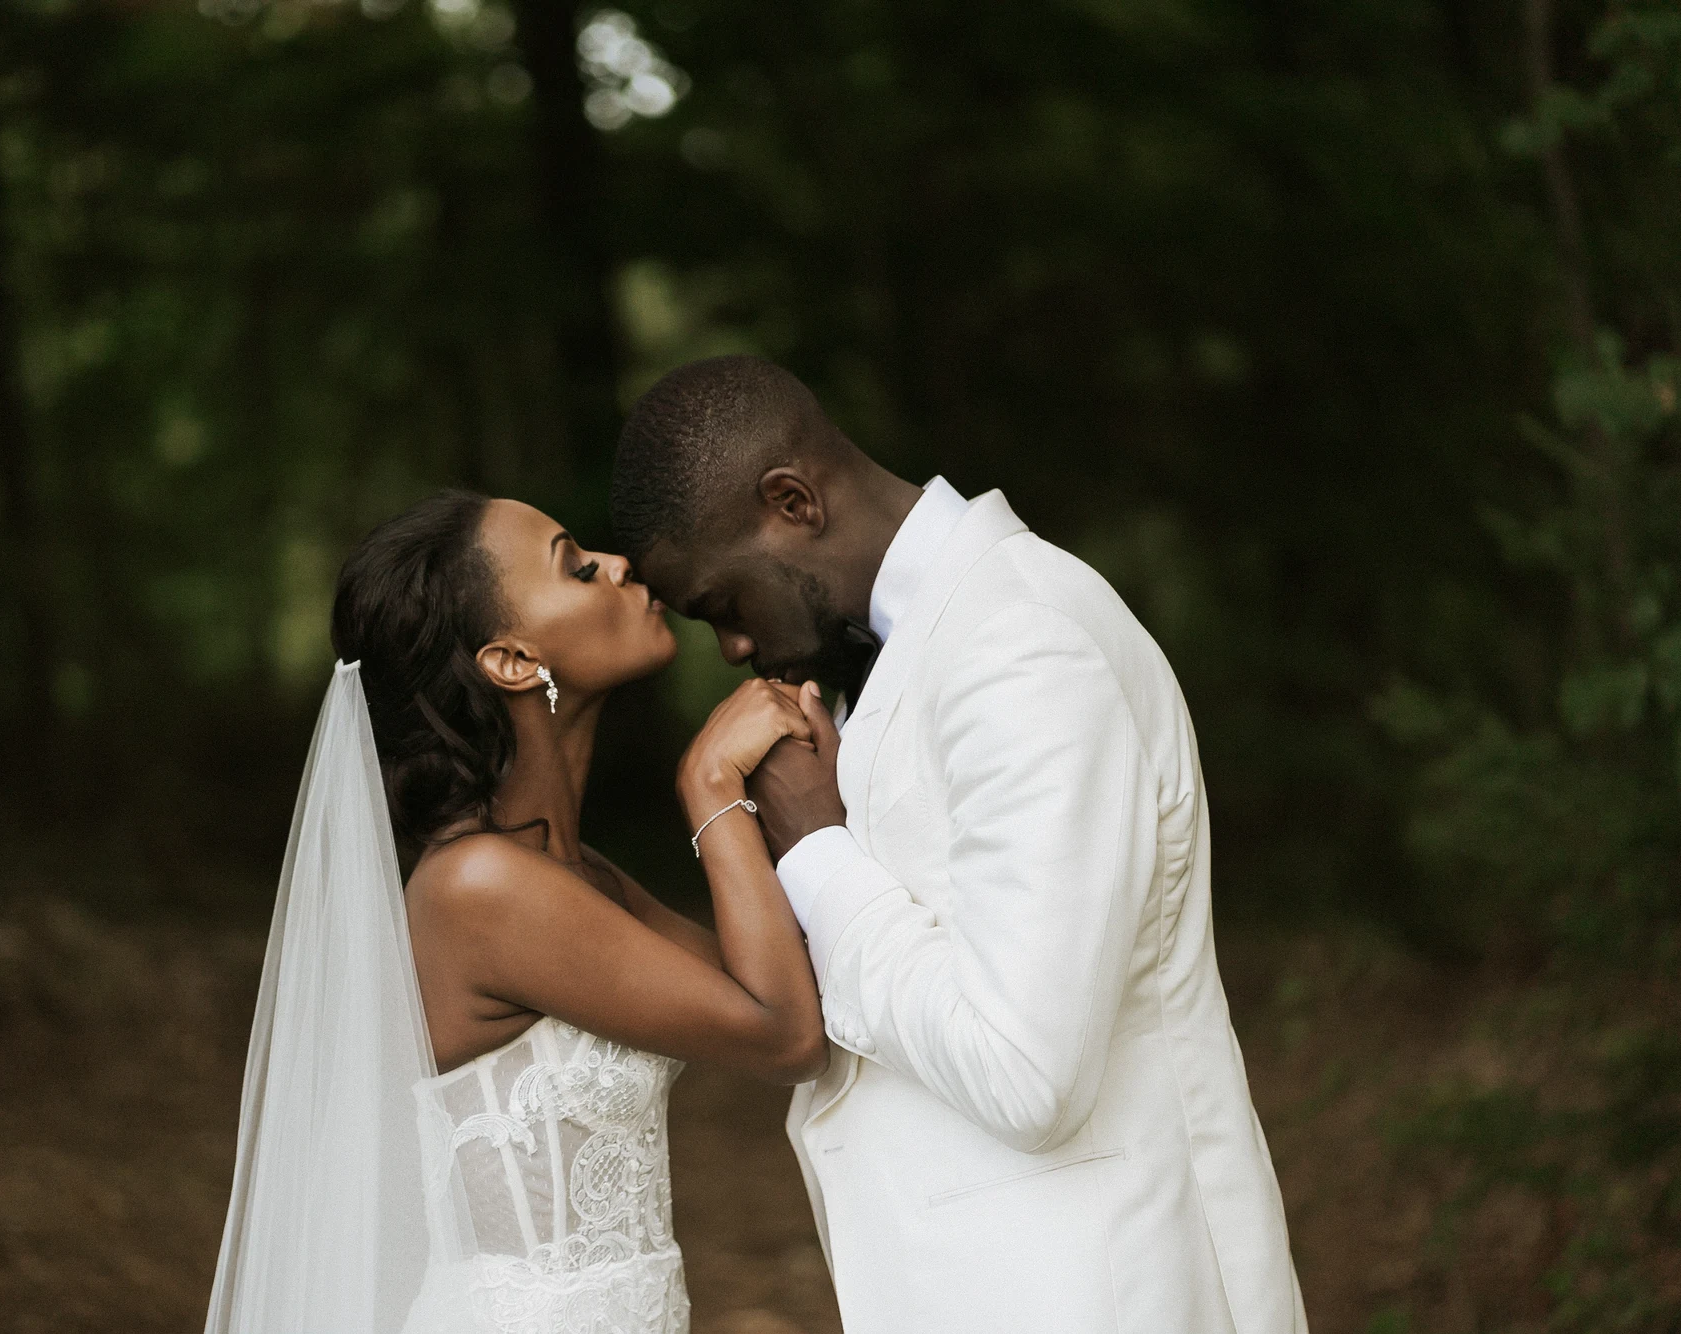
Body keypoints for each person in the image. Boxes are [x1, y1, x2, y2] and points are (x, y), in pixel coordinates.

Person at [613, 355, 1310, 1334]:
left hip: (1103, 1286)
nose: (729, 646)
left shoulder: (1022, 641)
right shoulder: (897, 655)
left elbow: (1027, 1069)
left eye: (722, 604)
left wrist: (818, 849)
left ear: (791, 500)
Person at [204, 489, 828, 1334]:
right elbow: (785, 1036)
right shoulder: (481, 888)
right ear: (509, 661)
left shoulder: (574, 876)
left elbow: (793, 989)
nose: (619, 565)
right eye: (576, 567)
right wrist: (711, 785)